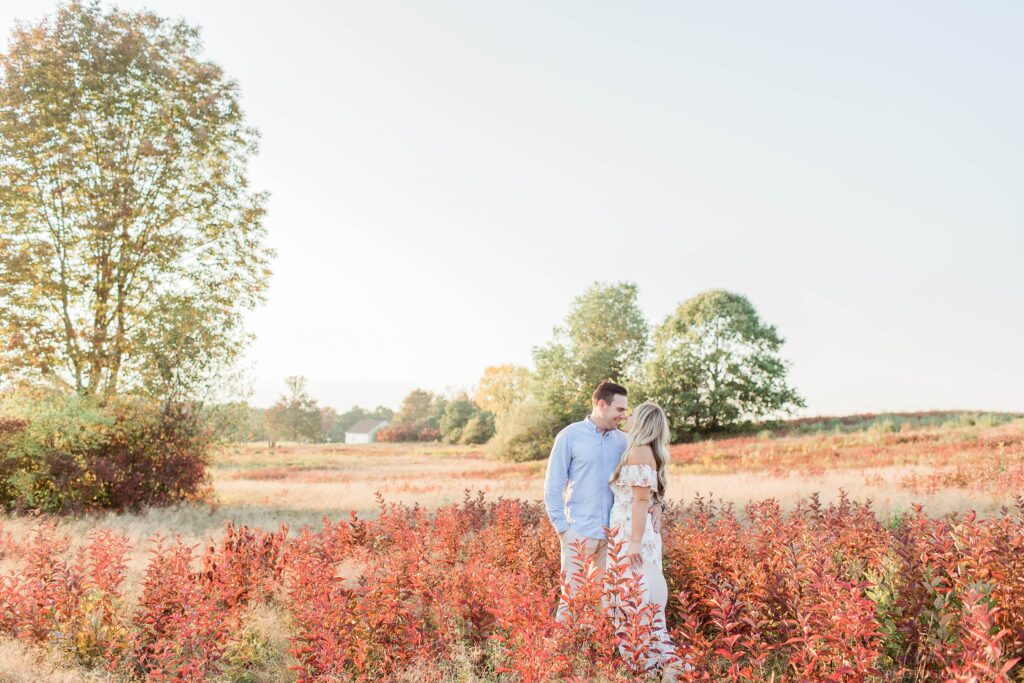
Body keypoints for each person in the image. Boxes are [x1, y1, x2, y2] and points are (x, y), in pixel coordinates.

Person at [543, 381, 663, 622]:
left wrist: (658, 503)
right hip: (579, 532)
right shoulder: (570, 436)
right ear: (601, 404)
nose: (623, 415)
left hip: (613, 538)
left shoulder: (624, 440)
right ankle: (561, 654)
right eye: (619, 409)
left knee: (605, 602)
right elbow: (553, 486)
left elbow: (649, 472)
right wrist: (563, 530)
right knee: (572, 597)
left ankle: (597, 655)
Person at [608, 401, 688, 680]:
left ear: (641, 422)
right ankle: (656, 665)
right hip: (633, 533)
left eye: (632, 414)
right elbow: (649, 498)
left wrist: (633, 543)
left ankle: (648, 666)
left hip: (633, 536)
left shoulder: (640, 452)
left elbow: (641, 500)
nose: (626, 417)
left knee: (636, 603)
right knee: (642, 605)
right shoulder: (642, 450)